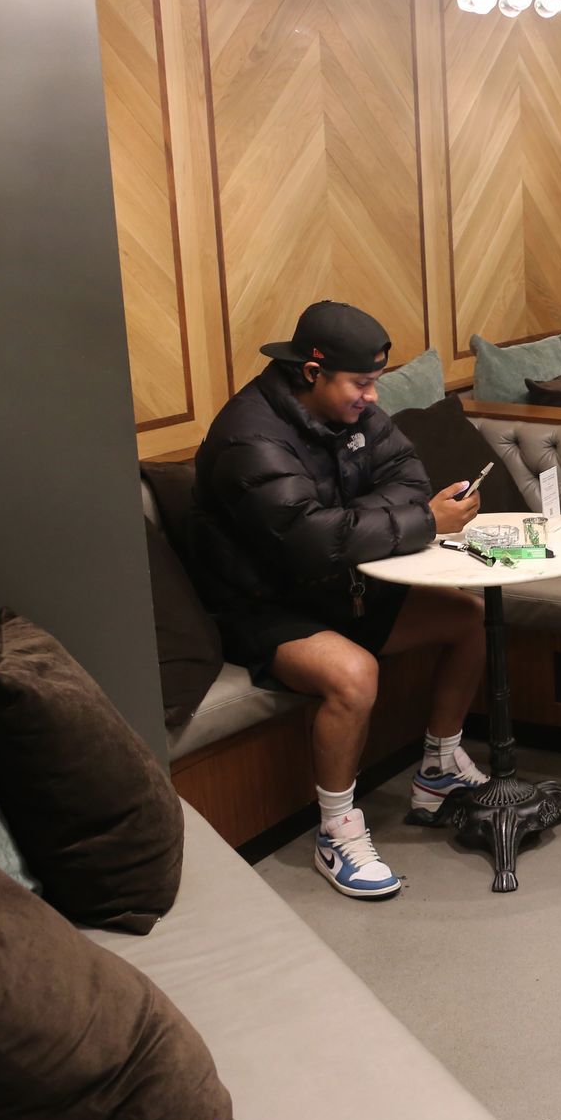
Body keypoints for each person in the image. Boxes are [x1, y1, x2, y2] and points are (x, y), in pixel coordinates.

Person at [191, 301, 488, 900]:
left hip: (340, 586)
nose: (371, 398)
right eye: (361, 383)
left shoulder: (351, 414)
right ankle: (337, 832)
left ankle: (437, 768)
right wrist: (420, 523)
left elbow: (406, 475)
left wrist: (379, 519)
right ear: (311, 373)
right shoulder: (247, 435)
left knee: (468, 616)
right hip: (262, 607)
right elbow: (307, 540)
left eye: (374, 382)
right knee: (355, 674)